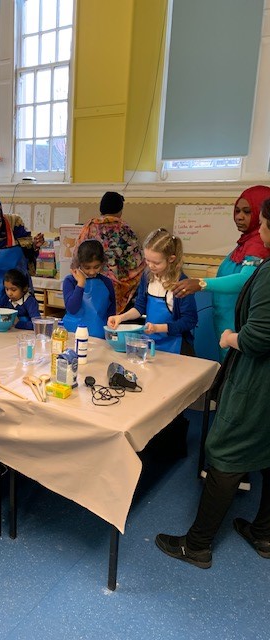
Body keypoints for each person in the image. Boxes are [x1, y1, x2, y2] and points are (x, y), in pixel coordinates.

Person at [155, 197, 270, 569]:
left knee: (225, 450)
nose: (259, 229)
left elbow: (258, 337)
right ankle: (264, 533)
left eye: (262, 222)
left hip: (258, 377)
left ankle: (197, 545)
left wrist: (231, 338)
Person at [172, 185, 270, 362]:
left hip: (238, 327)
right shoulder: (245, 243)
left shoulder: (257, 245)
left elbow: (244, 280)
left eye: (247, 212)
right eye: (237, 211)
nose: (239, 216)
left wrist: (201, 283)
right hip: (227, 323)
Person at [108, 228, 198, 355]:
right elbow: (140, 307)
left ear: (171, 259)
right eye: (147, 260)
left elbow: (189, 320)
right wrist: (121, 317)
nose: (150, 266)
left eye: (156, 262)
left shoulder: (181, 284)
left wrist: (158, 328)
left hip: (174, 345)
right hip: (150, 342)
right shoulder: (147, 276)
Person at [73, 191, 145, 314]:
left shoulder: (89, 226)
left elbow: (76, 255)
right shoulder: (124, 229)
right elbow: (136, 261)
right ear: (120, 210)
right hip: (116, 287)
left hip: (89, 282)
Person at [62, 239, 116, 339]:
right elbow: (72, 309)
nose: (92, 272)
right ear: (79, 264)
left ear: (102, 263)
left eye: (96, 267)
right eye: (87, 268)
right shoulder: (70, 281)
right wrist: (80, 284)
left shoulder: (106, 282)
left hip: (99, 337)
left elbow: (111, 312)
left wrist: (111, 333)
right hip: (73, 335)